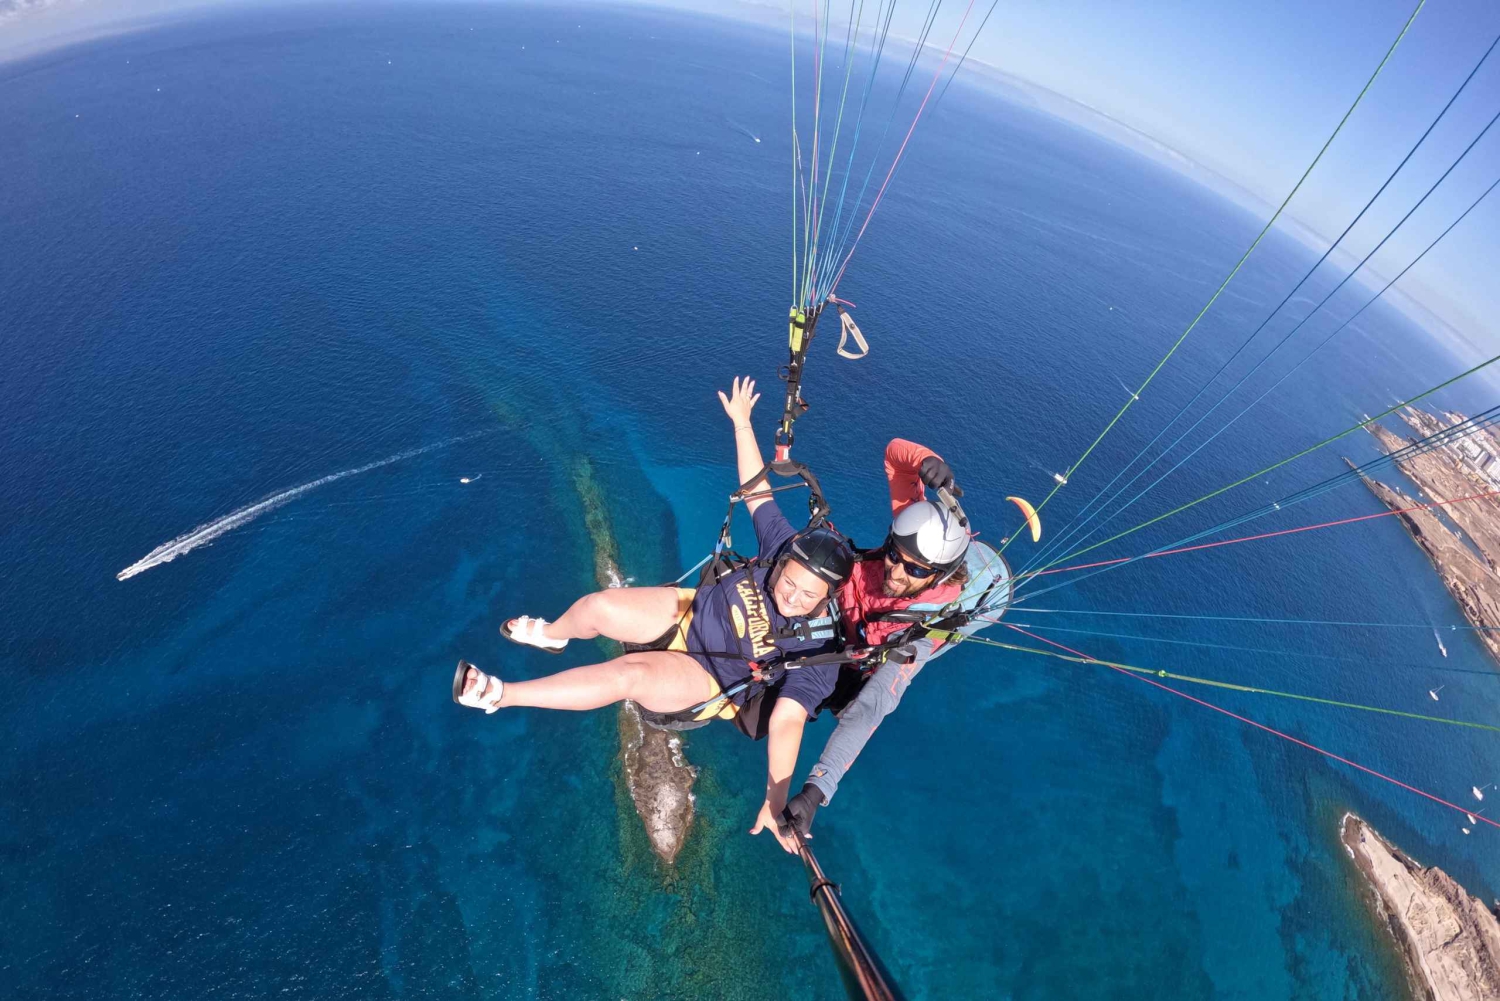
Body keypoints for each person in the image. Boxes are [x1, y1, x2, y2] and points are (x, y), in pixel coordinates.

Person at [453, 377, 854, 854]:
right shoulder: (784, 548)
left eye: (807, 595)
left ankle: (501, 695)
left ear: (828, 597)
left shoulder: (819, 648)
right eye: (788, 582)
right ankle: (553, 635)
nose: (791, 596)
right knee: (597, 606)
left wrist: (776, 797)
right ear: (784, 561)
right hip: (690, 612)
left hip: (710, 676)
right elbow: (757, 494)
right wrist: (743, 424)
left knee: (630, 674)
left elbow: (788, 720)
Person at [782, 437, 992, 840]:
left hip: (845, 659)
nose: (896, 571)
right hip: (833, 609)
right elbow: (896, 457)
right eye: (895, 555)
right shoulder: (912, 532)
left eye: (914, 571)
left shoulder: (923, 636)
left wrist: (815, 791)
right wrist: (928, 459)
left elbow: (873, 707)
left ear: (938, 576)